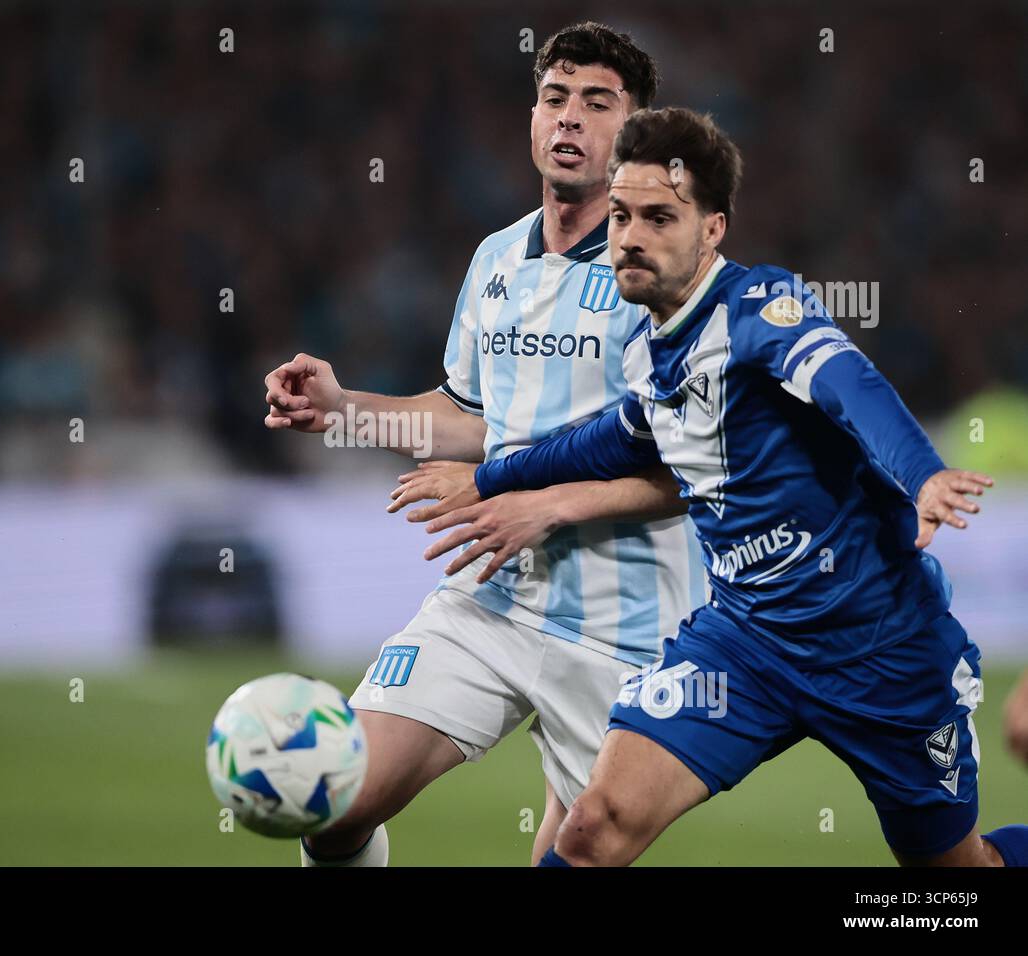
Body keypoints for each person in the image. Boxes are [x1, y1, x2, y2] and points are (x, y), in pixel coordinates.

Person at [416, 106, 1028, 866]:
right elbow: (613, 439)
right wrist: (489, 476)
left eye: (660, 217)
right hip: (745, 646)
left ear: (712, 229)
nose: (631, 236)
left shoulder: (761, 309)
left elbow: (848, 384)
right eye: (621, 215)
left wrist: (924, 473)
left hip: (878, 647)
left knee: (952, 878)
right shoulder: (646, 344)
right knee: (591, 829)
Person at [262, 22, 701, 866]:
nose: (569, 118)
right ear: (532, 117)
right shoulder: (497, 257)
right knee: (331, 801)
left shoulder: (667, 278)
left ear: (636, 134)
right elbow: (470, 416)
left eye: (597, 104)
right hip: (489, 599)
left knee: (577, 848)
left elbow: (690, 464)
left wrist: (526, 500)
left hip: (622, 630)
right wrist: (344, 408)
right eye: (555, 98)